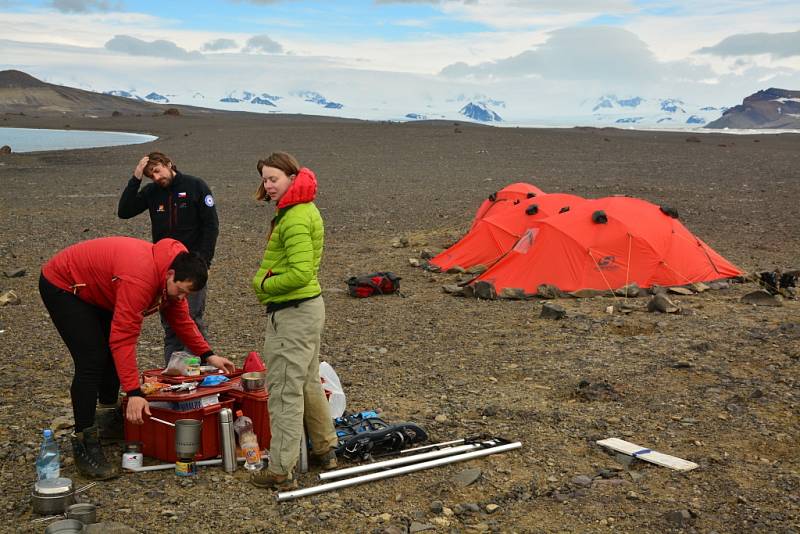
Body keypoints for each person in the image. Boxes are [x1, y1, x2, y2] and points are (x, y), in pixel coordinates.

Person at [39, 236, 235, 480]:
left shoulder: (175, 269)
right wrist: (133, 393)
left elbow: (181, 319)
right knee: (91, 360)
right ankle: (84, 443)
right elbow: (123, 339)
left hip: (100, 288)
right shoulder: (140, 280)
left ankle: (108, 420)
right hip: (64, 284)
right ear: (170, 274)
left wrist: (209, 355)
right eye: (181, 291)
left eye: (188, 294)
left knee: (107, 354)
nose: (182, 298)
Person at [249, 152, 338, 490]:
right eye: (265, 179)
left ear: (291, 176)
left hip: (293, 312)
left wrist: (262, 285)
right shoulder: (298, 210)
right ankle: (326, 449)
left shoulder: (297, 217)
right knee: (306, 382)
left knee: (286, 389)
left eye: (274, 178)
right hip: (304, 310)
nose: (268, 185)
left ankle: (280, 471)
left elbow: (301, 272)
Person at [117, 152, 219, 365]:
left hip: (192, 268)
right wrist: (136, 178)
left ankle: (203, 373)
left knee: (192, 320)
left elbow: (211, 226)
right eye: (149, 175)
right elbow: (124, 211)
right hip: (164, 270)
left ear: (168, 163)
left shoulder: (195, 186)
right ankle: (173, 374)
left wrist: (204, 262)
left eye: (156, 171)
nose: (155, 178)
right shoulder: (153, 192)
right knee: (171, 326)